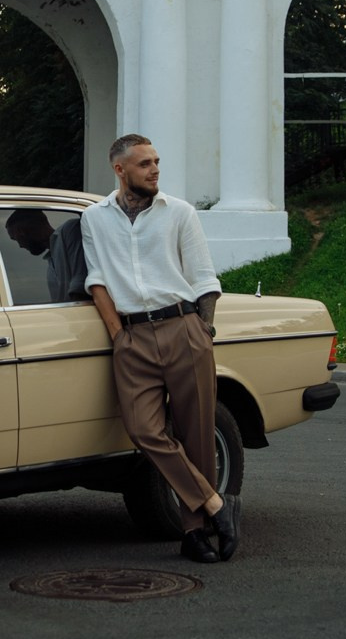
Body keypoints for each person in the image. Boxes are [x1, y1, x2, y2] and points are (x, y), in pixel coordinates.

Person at [81, 134, 236, 563]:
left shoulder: (179, 213)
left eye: (156, 162)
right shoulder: (94, 218)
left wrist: (202, 330)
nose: (154, 170)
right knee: (144, 429)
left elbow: (205, 279)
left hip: (183, 327)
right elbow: (97, 280)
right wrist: (118, 336)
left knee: (197, 433)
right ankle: (216, 504)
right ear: (120, 170)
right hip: (132, 337)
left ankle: (195, 533)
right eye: (145, 164)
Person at [1, 206, 85, 303]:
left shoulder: (69, 231)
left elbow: (80, 285)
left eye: (17, 238)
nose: (20, 245)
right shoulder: (50, 261)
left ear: (24, 231)